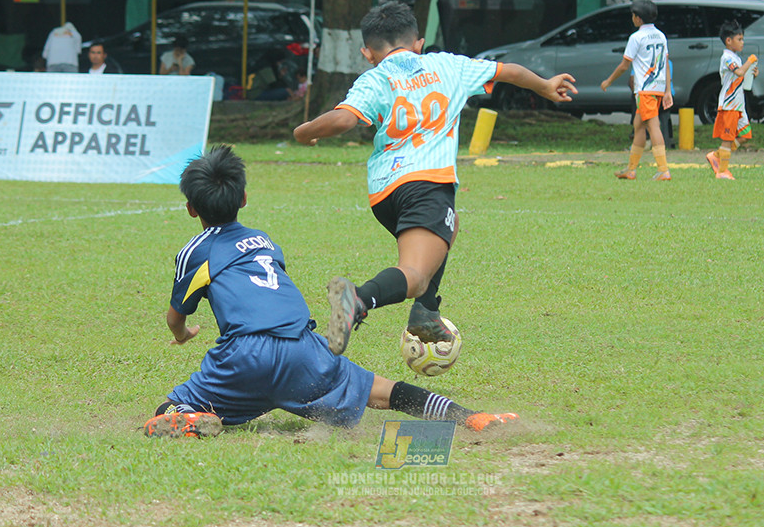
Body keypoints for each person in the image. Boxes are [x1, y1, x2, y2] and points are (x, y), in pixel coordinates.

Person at [143, 145, 519, 438]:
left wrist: (182, 333)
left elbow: (177, 315)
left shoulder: (196, 250)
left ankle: (186, 417)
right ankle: (469, 417)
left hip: (243, 356)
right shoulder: (265, 242)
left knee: (167, 407)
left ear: (191, 209)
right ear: (243, 199)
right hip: (303, 348)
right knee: (379, 390)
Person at [292, 1, 576, 357]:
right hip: (427, 184)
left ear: (367, 53)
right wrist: (546, 86)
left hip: (385, 193)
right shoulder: (448, 65)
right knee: (414, 274)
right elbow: (511, 72)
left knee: (450, 225)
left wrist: (304, 131)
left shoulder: (374, 77)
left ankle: (426, 312)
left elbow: (345, 119)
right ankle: (358, 299)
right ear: (418, 43)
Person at [600, 0, 673, 181]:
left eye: (633, 16)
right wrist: (667, 90)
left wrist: (608, 80)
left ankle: (663, 169)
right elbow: (666, 64)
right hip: (657, 87)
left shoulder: (636, 38)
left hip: (645, 89)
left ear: (638, 18)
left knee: (653, 126)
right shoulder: (660, 36)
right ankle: (631, 169)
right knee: (639, 125)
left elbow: (625, 65)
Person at [706, 21, 759, 180]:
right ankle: (722, 171)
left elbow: (742, 75)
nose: (742, 42)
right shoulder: (727, 58)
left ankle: (716, 156)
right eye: (739, 39)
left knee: (744, 135)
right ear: (729, 40)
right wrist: (749, 62)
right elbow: (739, 72)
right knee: (728, 138)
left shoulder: (734, 57)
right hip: (729, 104)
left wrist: (752, 73)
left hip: (738, 104)